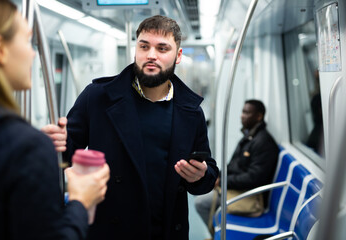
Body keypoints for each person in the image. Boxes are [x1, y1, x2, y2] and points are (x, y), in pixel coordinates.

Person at [43, 15, 219, 240]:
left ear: (178, 56)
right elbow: (65, 152)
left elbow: (207, 171)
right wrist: (49, 145)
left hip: (165, 230)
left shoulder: (191, 111)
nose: (151, 55)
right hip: (112, 228)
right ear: (135, 50)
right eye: (144, 46)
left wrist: (200, 176)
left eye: (162, 48)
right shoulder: (98, 97)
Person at [0, 1, 110, 239]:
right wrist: (81, 202)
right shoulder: (25, 147)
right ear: (0, 49)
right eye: (27, 41)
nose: (33, 53)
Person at [195, 99, 279, 226]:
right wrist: (217, 176)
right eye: (242, 112)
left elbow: (254, 178)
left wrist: (223, 182)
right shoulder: (249, 137)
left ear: (259, 116)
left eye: (247, 113)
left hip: (250, 196)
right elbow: (233, 165)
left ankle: (216, 234)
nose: (242, 116)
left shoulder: (263, 142)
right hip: (238, 187)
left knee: (201, 203)